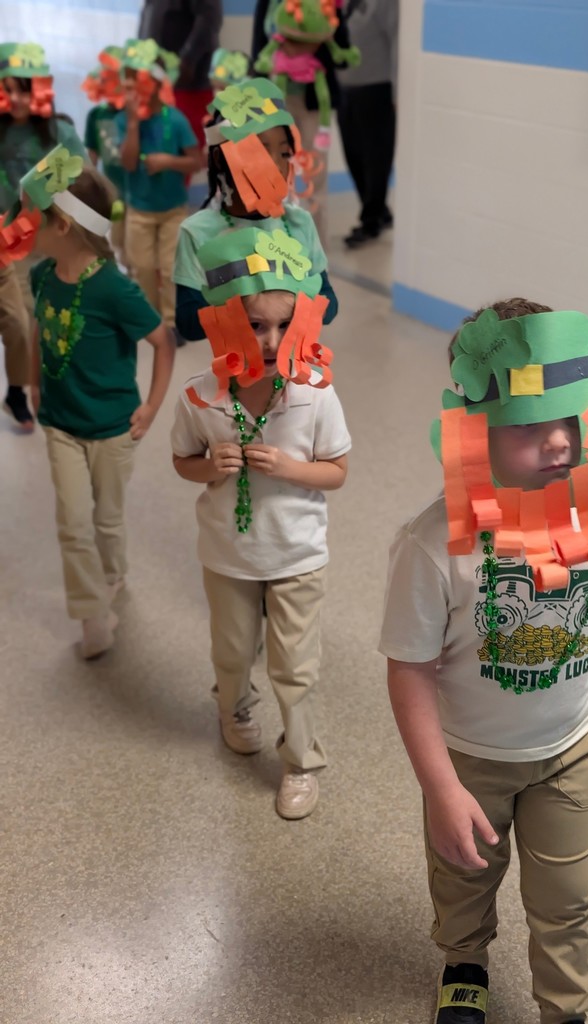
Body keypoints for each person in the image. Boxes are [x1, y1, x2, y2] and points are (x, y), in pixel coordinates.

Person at [379, 297, 588, 1023]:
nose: (555, 444)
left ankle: (565, 1006)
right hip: (469, 756)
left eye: (569, 423)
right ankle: (464, 962)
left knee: (568, 895)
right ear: (475, 435)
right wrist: (440, 786)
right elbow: (409, 669)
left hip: (573, 743)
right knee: (463, 877)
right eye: (527, 429)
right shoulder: (434, 544)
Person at [171, 225, 350, 820]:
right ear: (223, 321)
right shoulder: (200, 396)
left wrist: (296, 469)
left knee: (295, 667)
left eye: (282, 324)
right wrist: (207, 466)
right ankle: (233, 706)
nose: (270, 340)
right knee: (231, 650)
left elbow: (337, 471)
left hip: (297, 554)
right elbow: (181, 461)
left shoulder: (316, 391)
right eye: (254, 324)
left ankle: (300, 762)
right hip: (228, 555)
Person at [7, 150, 174, 658]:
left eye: (25, 215)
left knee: (107, 520)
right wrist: (34, 379)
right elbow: (38, 328)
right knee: (73, 523)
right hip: (61, 424)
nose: (16, 226)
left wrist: (151, 406)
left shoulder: (115, 290)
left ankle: (114, 575)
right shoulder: (40, 277)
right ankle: (92, 613)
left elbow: (162, 342)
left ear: (59, 224)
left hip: (112, 427)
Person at [173, 76, 338, 342]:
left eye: (284, 153)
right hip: (238, 373)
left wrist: (287, 306)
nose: (276, 164)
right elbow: (188, 323)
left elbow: (330, 303)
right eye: (260, 151)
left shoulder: (299, 222)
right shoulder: (197, 232)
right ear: (220, 157)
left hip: (295, 371)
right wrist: (247, 310)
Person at [0, 41, 87, 430]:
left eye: (25, 88)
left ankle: (49, 388)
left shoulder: (60, 131)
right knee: (18, 321)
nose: (17, 98)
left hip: (52, 239)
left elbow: (84, 181)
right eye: (9, 88)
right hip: (7, 245)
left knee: (51, 321)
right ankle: (17, 390)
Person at [252, 0, 359, 249]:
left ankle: (315, 254)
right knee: (274, 173)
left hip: (314, 103)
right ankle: (275, 247)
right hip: (276, 98)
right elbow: (259, 51)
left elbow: (342, 52)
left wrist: (307, 45)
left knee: (315, 178)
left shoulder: (327, 3)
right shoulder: (268, 3)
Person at [116, 39, 200, 343]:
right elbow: (126, 163)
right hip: (138, 209)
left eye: (138, 82)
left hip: (172, 210)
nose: (132, 90)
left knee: (169, 269)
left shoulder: (175, 120)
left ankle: (171, 321)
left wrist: (169, 161)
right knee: (140, 266)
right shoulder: (123, 121)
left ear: (155, 83)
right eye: (127, 84)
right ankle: (150, 319)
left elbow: (197, 160)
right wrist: (134, 125)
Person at [337, 0, 398, 247]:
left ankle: (371, 220)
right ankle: (378, 210)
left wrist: (398, 93)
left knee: (376, 158)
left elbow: (398, 44)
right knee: (353, 155)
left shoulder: (384, 3)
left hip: (376, 89)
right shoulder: (342, 4)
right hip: (345, 90)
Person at [139, 0, 223, 150]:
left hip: (187, 85)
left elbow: (209, 20)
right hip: (155, 83)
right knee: (155, 151)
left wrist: (188, 60)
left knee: (182, 152)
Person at [82, 46, 129, 270]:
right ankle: (127, 276)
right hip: (114, 194)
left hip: (138, 192)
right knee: (118, 241)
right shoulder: (96, 115)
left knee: (139, 245)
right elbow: (91, 153)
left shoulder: (134, 113)